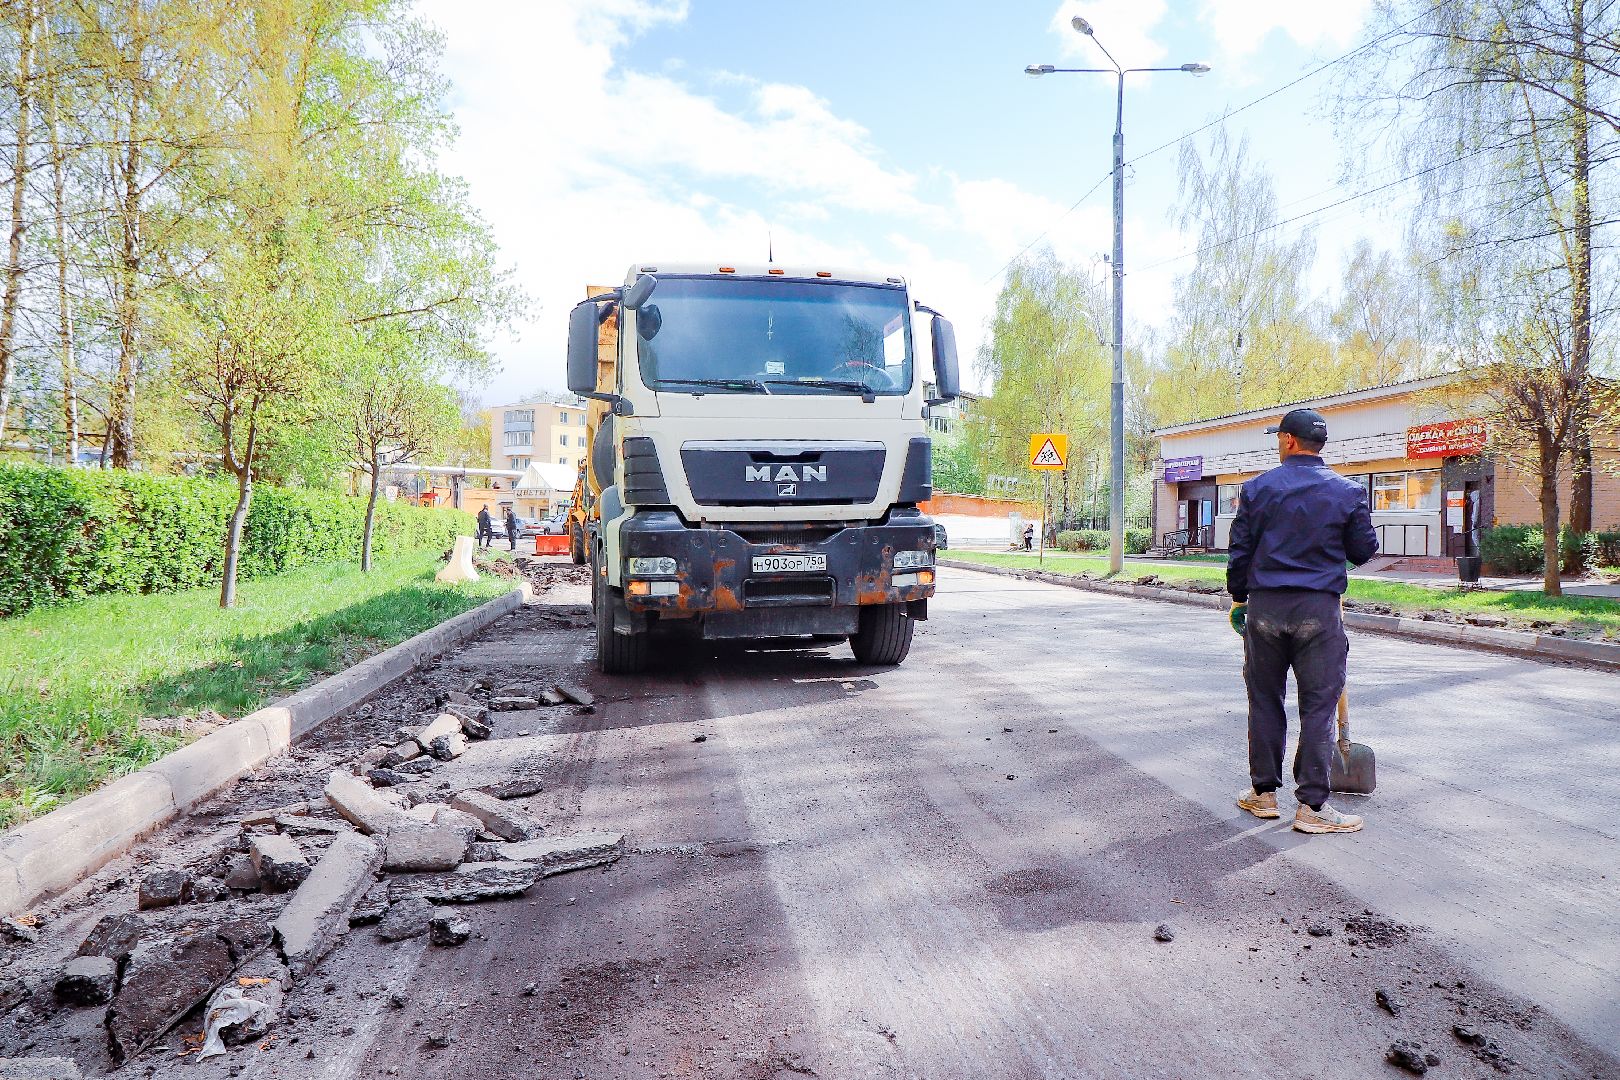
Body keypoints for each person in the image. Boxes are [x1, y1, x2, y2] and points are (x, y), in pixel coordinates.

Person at [1227, 408, 1379, 834]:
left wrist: (1239, 599)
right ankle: (1313, 806)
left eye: (1280, 438)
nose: (1278, 443)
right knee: (1318, 705)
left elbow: (1239, 552)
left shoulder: (1257, 489)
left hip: (1266, 610)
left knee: (1265, 698)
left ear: (1290, 441)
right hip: (1319, 610)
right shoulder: (1347, 493)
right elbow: (1363, 550)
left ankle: (1264, 794)